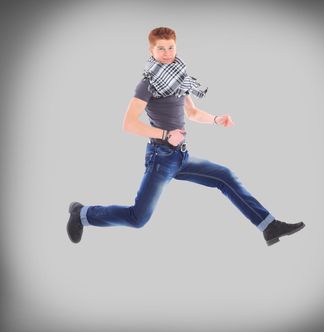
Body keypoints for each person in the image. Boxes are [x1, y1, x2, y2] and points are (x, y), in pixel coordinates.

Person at [67, 27, 305, 246]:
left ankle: (268, 226)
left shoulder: (177, 78)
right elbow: (128, 124)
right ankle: (83, 214)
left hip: (179, 156)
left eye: (171, 47)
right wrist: (165, 134)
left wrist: (215, 119)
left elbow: (191, 112)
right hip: (160, 158)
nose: (167, 53)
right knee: (138, 218)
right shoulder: (147, 84)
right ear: (151, 50)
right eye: (161, 48)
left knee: (224, 176)